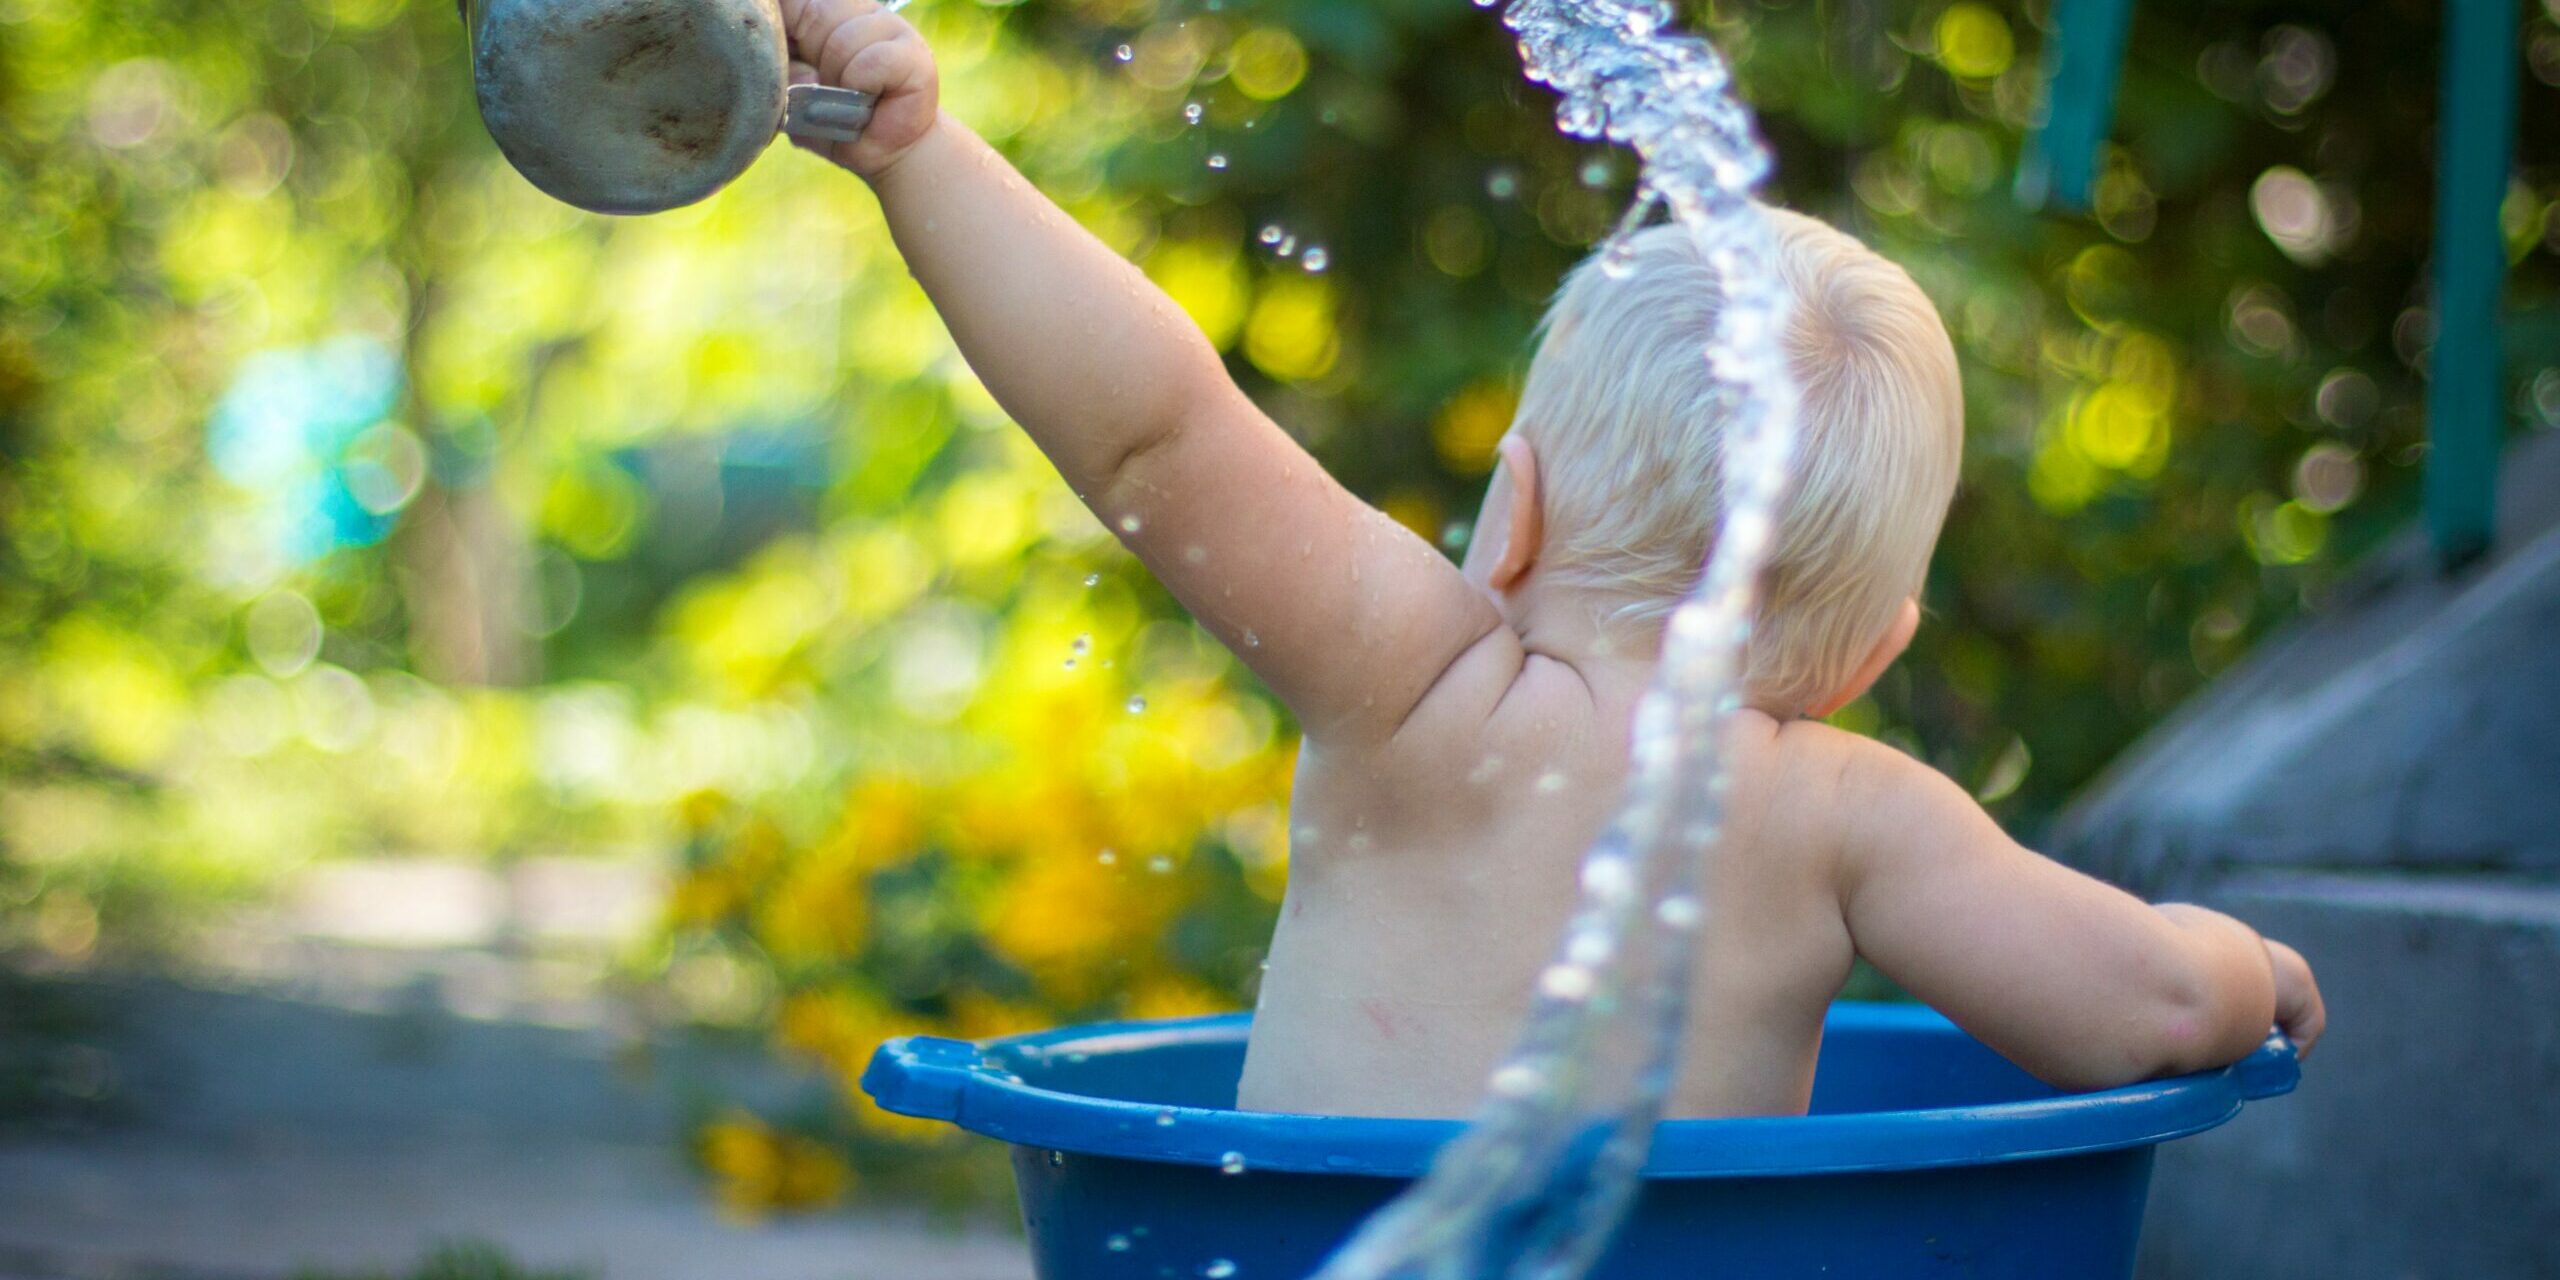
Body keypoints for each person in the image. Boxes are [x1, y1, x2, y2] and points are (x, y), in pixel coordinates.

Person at [774, 0, 2325, 1119]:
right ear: (1872, 655)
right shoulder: (1850, 818)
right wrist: (2249, 965)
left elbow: (1157, 436)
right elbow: (2155, 1010)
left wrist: (921, 151)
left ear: (1508, 515)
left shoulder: (1418, 686)